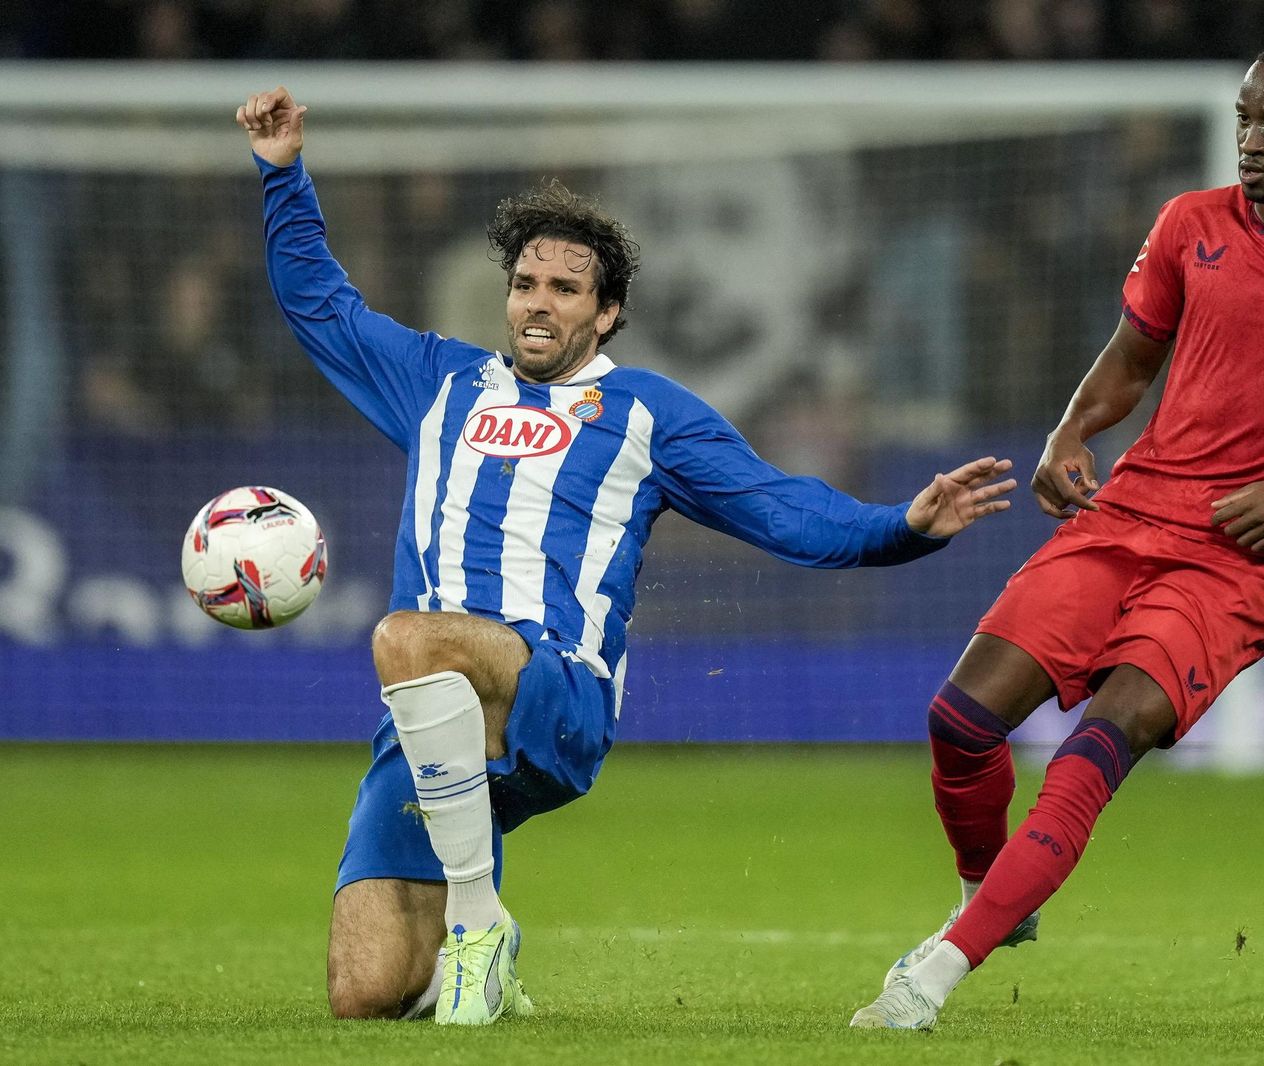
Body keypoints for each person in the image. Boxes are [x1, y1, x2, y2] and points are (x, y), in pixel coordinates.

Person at [234, 85, 1018, 1026]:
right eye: (526, 284)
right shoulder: (439, 383)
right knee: (365, 995)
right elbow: (319, 303)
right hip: (433, 722)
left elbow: (781, 509)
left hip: (556, 692)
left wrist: (902, 526)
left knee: (404, 635)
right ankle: (484, 961)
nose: (539, 303)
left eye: (565, 290)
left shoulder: (648, 413)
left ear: (606, 315)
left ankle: (476, 923)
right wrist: (282, 172)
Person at [849, 40, 1264, 1030]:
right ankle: (987, 898)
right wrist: (1070, 430)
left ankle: (934, 976)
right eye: (1244, 120)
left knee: (1103, 737)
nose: (1250, 141)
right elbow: (1132, 358)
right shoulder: (1189, 223)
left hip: (1238, 556)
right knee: (959, 722)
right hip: (1128, 515)